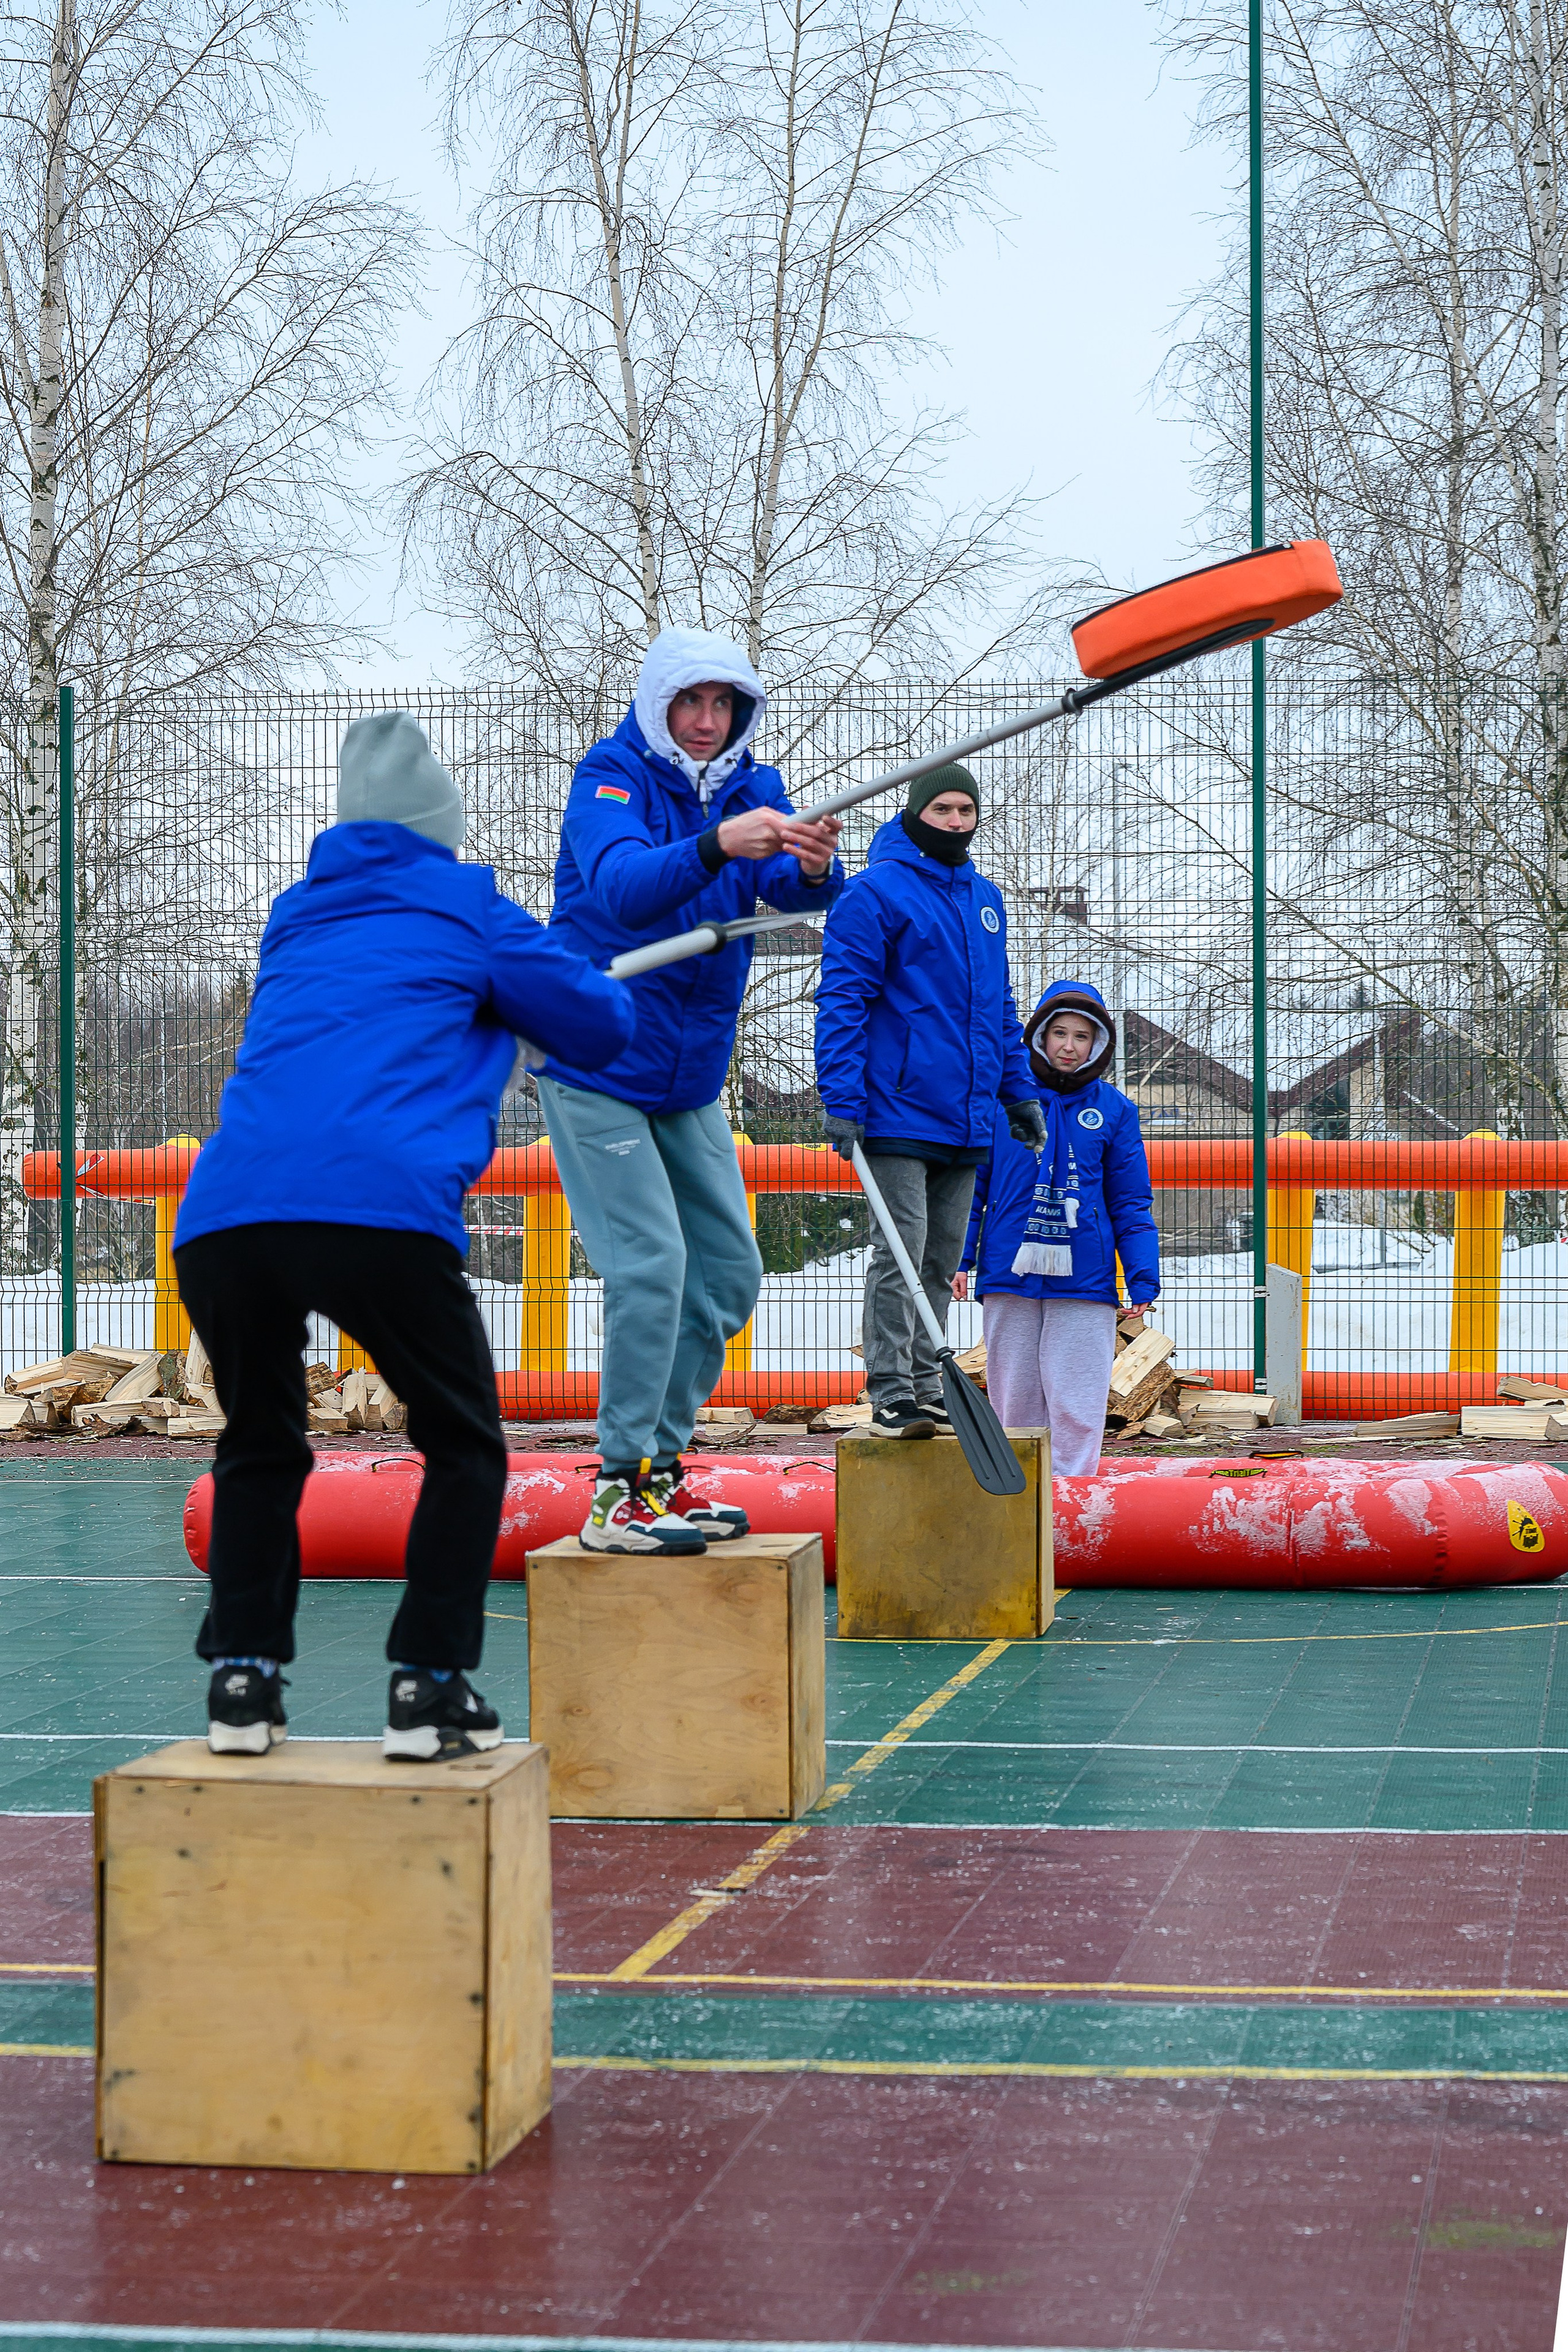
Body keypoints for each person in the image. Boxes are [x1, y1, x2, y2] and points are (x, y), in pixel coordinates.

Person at [173, 712, 635, 1760]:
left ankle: (242, 1681)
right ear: (443, 824)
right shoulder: (471, 907)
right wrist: (570, 984)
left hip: (227, 1215)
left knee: (259, 1443)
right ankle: (428, 1688)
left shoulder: (295, 915)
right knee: (464, 1444)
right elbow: (601, 1028)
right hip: (376, 1209)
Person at [538, 625, 843, 1551]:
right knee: (650, 1269)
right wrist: (716, 844)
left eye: (724, 705)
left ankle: (658, 1474)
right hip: (596, 1062)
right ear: (659, 705)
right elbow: (625, 889)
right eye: (691, 702)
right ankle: (614, 1492)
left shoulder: (756, 785)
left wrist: (814, 867)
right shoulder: (610, 776)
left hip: (688, 1074)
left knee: (727, 1275)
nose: (707, 721)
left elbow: (790, 892)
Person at [813, 762, 1045, 1438]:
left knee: (941, 1261)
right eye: (942, 809)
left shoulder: (985, 899)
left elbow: (997, 1009)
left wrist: (1017, 1091)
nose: (954, 821)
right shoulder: (873, 894)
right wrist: (841, 1097)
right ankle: (890, 1391)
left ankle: (923, 1384)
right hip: (895, 1108)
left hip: (965, 1114)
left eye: (965, 810)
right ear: (916, 813)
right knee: (901, 1253)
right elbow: (843, 1000)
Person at [954, 979, 1160, 1476]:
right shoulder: (998, 1101)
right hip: (1009, 1271)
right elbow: (970, 1189)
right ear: (1040, 1036)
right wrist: (959, 1258)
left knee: (1076, 1402)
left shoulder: (1115, 1110)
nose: (1069, 1046)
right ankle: (1020, 1498)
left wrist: (1142, 1275)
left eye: (1082, 1036)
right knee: (1015, 1401)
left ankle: (1073, 1499)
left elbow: (1130, 1201)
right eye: (1060, 1033)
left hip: (1084, 1276)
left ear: (1099, 1044)